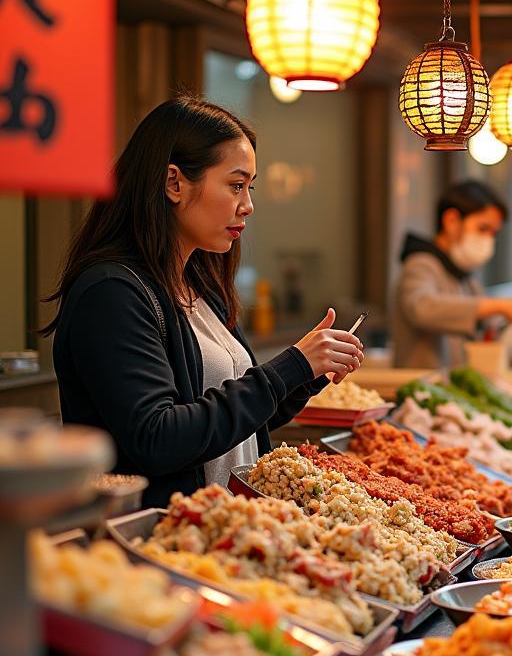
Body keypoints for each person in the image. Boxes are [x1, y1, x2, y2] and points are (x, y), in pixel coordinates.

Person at [46, 96, 364, 505]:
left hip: (235, 530)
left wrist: (308, 373)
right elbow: (158, 439)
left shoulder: (200, 283)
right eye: (235, 185)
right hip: (164, 541)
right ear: (174, 182)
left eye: (250, 187)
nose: (247, 205)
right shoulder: (111, 292)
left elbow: (235, 425)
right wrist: (291, 366)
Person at [391, 180, 512, 368]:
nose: (488, 239)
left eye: (493, 234)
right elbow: (422, 307)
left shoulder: (465, 277)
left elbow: (486, 326)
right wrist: (500, 306)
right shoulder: (421, 264)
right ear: (452, 221)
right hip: (420, 388)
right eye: (483, 228)